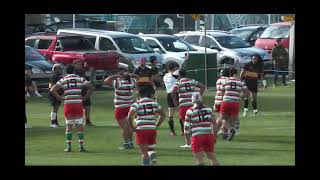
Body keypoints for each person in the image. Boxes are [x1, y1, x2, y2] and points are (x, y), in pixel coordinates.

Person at [50, 64, 93, 152]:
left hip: (68, 104)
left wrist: (59, 97)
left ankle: (68, 147)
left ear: (66, 71)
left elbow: (52, 89)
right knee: (79, 124)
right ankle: (81, 146)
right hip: (78, 103)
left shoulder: (63, 79)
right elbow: (91, 88)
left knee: (69, 125)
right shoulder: (80, 78)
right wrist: (85, 97)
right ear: (74, 70)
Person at [127, 85, 166, 166]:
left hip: (141, 130)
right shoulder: (154, 103)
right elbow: (163, 115)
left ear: (139, 94)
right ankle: (154, 160)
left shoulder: (136, 104)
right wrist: (156, 125)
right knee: (151, 148)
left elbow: (130, 116)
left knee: (144, 152)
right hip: (152, 129)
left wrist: (132, 127)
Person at [104, 71, 139, 150]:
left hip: (120, 108)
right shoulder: (132, 82)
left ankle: (126, 143)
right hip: (129, 106)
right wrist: (131, 75)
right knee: (129, 126)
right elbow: (137, 77)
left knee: (124, 128)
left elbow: (106, 81)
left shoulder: (118, 83)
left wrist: (115, 75)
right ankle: (130, 142)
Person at [172, 69, 205, 148]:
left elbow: (173, 91)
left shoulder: (178, 82)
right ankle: (197, 140)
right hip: (193, 104)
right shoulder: (192, 81)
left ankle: (188, 143)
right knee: (195, 122)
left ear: (179, 75)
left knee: (186, 123)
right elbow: (203, 86)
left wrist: (175, 101)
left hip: (183, 105)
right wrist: (198, 95)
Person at [184, 92, 219, 166]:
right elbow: (215, 124)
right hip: (208, 135)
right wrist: (214, 136)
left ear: (192, 100)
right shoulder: (208, 109)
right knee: (212, 158)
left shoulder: (190, 111)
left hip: (197, 136)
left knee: (199, 160)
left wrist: (187, 140)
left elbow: (186, 128)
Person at [220, 68, 249, 141]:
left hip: (226, 101)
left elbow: (222, 92)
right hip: (235, 102)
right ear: (236, 73)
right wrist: (240, 98)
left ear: (229, 74)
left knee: (223, 118)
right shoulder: (240, 82)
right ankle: (231, 130)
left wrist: (223, 98)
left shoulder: (225, 81)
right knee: (233, 119)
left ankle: (228, 131)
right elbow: (247, 93)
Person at [73, 60, 95, 126]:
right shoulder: (74, 73)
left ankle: (88, 121)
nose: (80, 65)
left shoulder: (82, 71)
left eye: (80, 64)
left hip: (85, 91)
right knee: (77, 108)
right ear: (74, 65)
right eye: (78, 64)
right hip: (78, 92)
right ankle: (76, 122)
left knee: (87, 107)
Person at [163, 61, 180, 136]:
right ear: (174, 68)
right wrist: (187, 58)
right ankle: (183, 132)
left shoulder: (165, 76)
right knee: (181, 113)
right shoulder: (174, 74)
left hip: (168, 95)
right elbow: (182, 67)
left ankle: (172, 132)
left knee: (170, 114)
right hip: (175, 94)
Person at [213, 68, 229, 136]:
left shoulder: (218, 80)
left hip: (217, 100)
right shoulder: (227, 80)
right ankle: (223, 130)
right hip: (222, 100)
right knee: (225, 117)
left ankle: (216, 131)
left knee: (220, 117)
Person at [48, 64, 63, 128]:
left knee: (56, 108)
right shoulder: (53, 76)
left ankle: (56, 123)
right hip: (53, 94)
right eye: (59, 69)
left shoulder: (58, 76)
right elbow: (51, 86)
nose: (61, 70)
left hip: (57, 94)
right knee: (54, 108)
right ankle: (53, 123)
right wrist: (57, 94)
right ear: (55, 69)